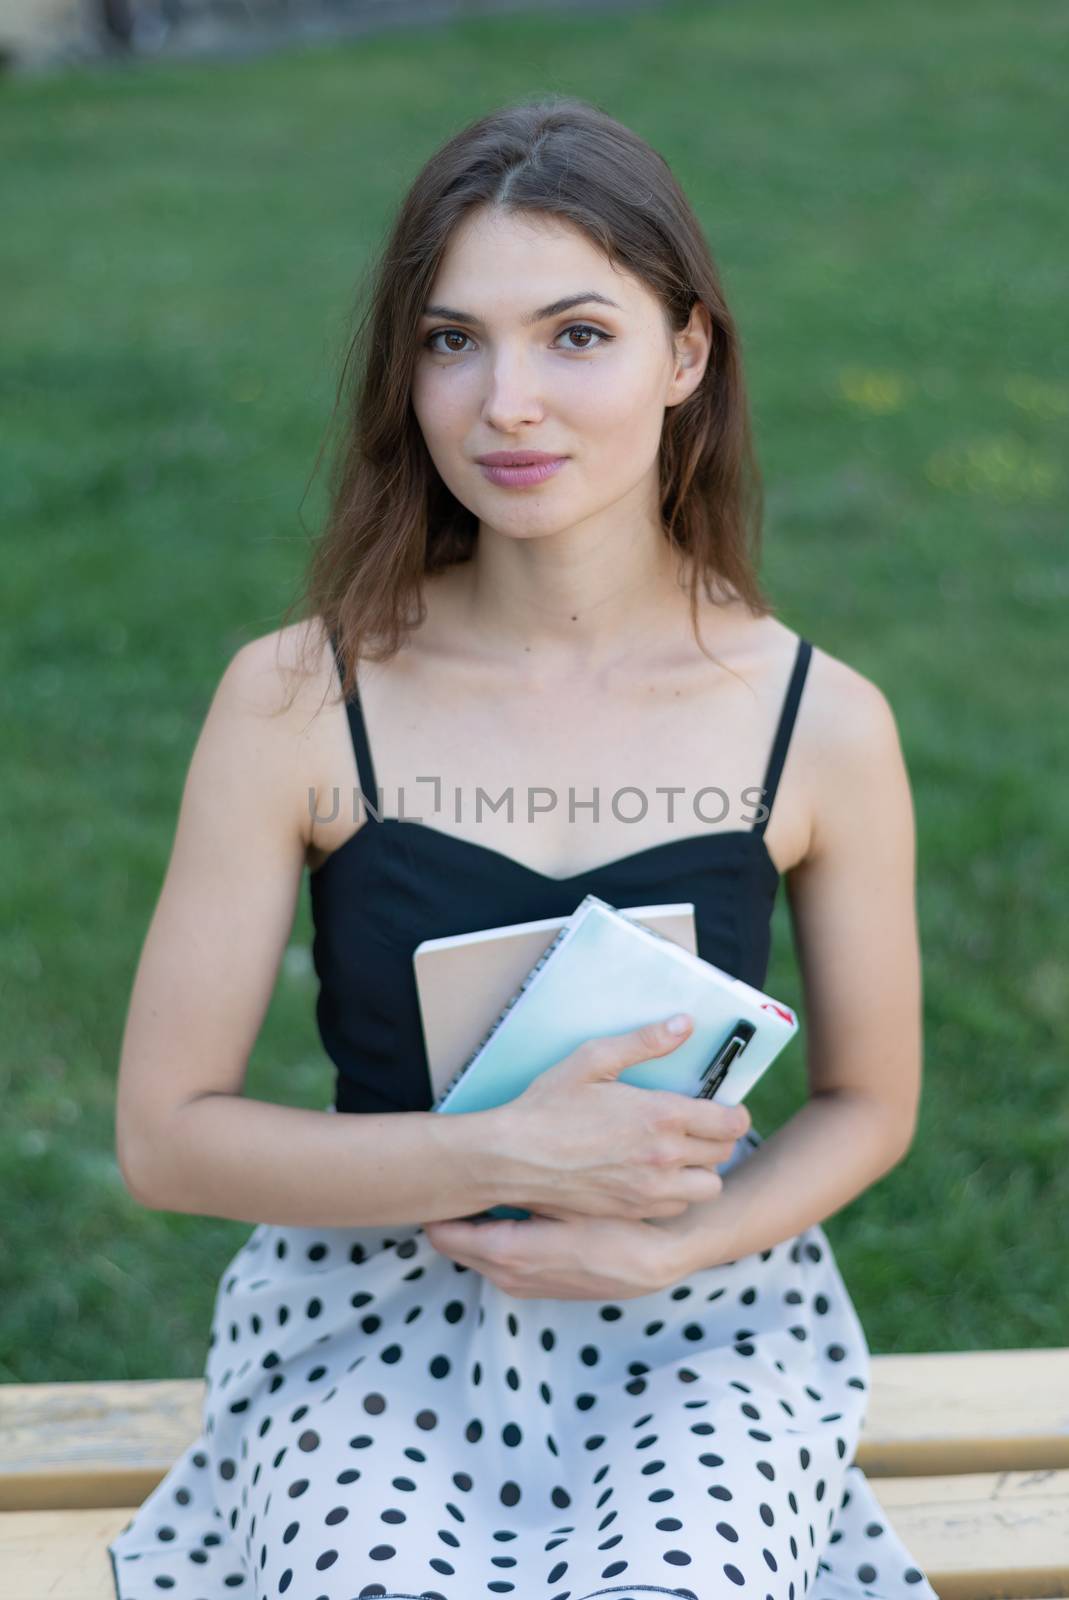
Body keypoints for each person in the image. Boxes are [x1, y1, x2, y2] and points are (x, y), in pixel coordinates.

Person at [107, 95, 938, 1600]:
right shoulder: (302, 697)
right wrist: (493, 1154)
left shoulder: (814, 720)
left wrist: (671, 1247)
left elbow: (871, 1102)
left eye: (574, 334)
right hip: (367, 1314)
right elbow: (166, 1139)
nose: (505, 403)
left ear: (686, 355)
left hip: (699, 1314)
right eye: (450, 341)